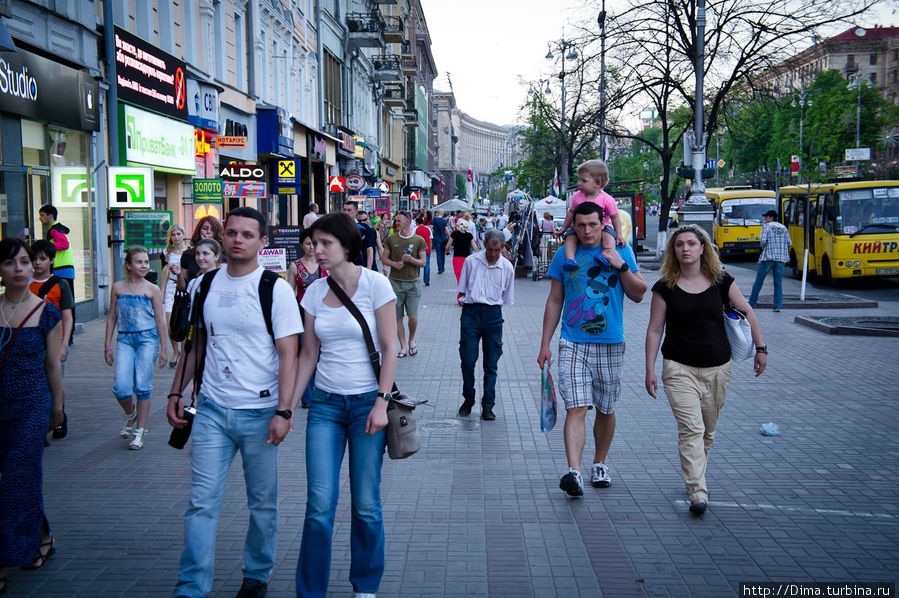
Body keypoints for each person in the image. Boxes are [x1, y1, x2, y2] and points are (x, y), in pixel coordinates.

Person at [166, 207, 301, 598]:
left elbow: (289, 355)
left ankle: (256, 574)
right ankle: (191, 586)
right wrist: (176, 392)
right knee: (201, 503)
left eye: (247, 234)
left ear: (263, 242)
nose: (237, 239)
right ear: (222, 237)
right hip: (210, 410)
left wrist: (284, 411)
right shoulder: (204, 285)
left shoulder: (274, 289)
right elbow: (197, 344)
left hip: (260, 413)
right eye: (231, 233)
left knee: (262, 504)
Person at [289, 213, 398, 598]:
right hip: (324, 408)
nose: (316, 250)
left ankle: (365, 585)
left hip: (368, 405)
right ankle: (311, 590)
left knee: (366, 503)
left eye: (324, 243)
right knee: (319, 504)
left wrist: (382, 403)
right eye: (313, 243)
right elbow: (307, 356)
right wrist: (286, 408)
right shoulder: (314, 292)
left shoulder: (376, 285)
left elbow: (390, 347)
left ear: (346, 246)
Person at [645, 224, 767, 515]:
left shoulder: (721, 280)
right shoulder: (665, 286)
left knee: (707, 433)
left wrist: (761, 348)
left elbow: (747, 311)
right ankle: (697, 492)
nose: (685, 249)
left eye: (691, 243)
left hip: (717, 369)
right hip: (678, 368)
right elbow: (654, 330)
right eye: (679, 244)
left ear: (703, 248)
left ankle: (694, 470)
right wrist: (649, 369)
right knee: (692, 429)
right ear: (673, 251)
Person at [537, 202, 647, 497]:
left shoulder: (621, 250)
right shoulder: (565, 254)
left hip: (610, 342)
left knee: (606, 407)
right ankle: (574, 472)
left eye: (593, 225)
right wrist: (545, 343)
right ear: (574, 226)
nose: (586, 231)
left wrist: (619, 264)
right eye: (581, 225)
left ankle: (599, 462)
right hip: (572, 342)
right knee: (576, 407)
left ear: (604, 225)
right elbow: (554, 300)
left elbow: (638, 293)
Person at [0, 239, 64, 594]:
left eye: (25, 261)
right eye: (11, 263)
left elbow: (53, 365)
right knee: (13, 479)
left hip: (31, 406)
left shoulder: (47, 313)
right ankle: (40, 533)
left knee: (17, 477)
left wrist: (58, 407)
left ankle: (6, 557)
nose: (21, 268)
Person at [104, 246, 168, 450]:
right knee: (121, 388)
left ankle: (139, 430)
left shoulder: (152, 289)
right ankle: (130, 413)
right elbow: (112, 317)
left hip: (147, 339)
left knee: (142, 385)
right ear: (129, 265)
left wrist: (164, 348)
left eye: (146, 262)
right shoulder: (117, 287)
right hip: (124, 340)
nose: (144, 266)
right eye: (139, 262)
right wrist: (107, 345)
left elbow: (160, 320)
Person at [456, 229, 515, 421]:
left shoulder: (507, 268)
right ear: (484, 244)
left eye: (497, 250)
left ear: (503, 248)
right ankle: (469, 398)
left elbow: (506, 298)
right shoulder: (471, 262)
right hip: (471, 313)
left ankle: (488, 404)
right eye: (490, 249)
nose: (493, 254)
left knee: (491, 363)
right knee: (467, 360)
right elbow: (463, 289)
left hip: (493, 316)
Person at [29, 240, 74, 439]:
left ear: (52, 260)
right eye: (34, 259)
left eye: (42, 259)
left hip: (55, 341)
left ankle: (58, 415)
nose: (37, 263)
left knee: (54, 381)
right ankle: (40, 420)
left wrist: (64, 344)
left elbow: (67, 315)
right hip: (31, 340)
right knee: (35, 381)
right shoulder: (25, 283)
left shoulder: (60, 284)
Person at [556, 160, 626, 272]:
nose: (579, 183)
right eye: (579, 179)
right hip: (579, 228)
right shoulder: (576, 197)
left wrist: (619, 235)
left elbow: (615, 217)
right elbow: (571, 213)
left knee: (608, 236)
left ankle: (606, 255)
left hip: (604, 227)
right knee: (570, 236)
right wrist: (563, 228)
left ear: (598, 183)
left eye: (583, 180)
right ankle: (570, 259)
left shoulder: (607, 199)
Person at [287, 228, 328, 409]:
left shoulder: (325, 264)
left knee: (322, 355)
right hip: (303, 315)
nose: (311, 247)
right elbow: (290, 292)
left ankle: (322, 391)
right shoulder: (296, 266)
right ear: (301, 245)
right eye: (307, 243)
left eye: (314, 243)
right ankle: (308, 397)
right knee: (306, 353)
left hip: (325, 313)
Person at [380, 211, 426, 358]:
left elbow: (423, 262)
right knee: (397, 317)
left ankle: (411, 339)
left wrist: (412, 260)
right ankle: (403, 345)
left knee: (412, 317)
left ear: (408, 221)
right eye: (396, 220)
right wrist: (394, 264)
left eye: (399, 220)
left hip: (413, 283)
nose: (396, 223)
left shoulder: (419, 240)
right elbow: (384, 258)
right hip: (395, 283)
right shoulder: (391, 239)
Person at [38, 204, 76, 340]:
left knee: (65, 304)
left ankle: (68, 336)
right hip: (64, 270)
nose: (40, 218)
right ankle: (68, 335)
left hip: (62, 270)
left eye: (42, 215)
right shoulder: (55, 229)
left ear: (50, 216)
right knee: (67, 304)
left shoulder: (54, 229)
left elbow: (64, 244)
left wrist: (47, 246)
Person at [748, 209, 792, 312]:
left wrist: (765, 247)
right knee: (778, 283)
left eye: (766, 217)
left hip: (768, 257)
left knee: (759, 281)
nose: (765, 219)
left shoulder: (767, 227)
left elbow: (763, 241)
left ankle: (752, 302)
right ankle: (777, 305)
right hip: (780, 259)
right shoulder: (784, 228)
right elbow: (789, 242)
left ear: (771, 218)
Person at [161, 225, 188, 368]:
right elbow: (165, 274)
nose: (176, 237)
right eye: (173, 234)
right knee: (170, 323)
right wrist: (162, 293)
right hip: (171, 287)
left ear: (183, 235)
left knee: (182, 322)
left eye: (178, 234)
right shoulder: (168, 252)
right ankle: (175, 351)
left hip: (183, 289)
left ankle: (183, 353)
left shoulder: (189, 251)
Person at [178, 216, 225, 290]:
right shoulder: (187, 254)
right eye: (205, 228)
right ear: (199, 230)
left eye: (212, 229)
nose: (208, 232)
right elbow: (183, 286)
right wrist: (178, 274)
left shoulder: (224, 254)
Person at [344, 201, 378, 270]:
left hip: (360, 267)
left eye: (349, 210)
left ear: (356, 212)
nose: (346, 212)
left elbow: (370, 250)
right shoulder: (338, 228)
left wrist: (368, 270)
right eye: (345, 210)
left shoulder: (364, 229)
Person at [414, 215, 433, 286]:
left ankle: (417, 278)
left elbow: (413, 239)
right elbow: (430, 239)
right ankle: (427, 280)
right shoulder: (428, 229)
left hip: (417, 249)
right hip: (427, 249)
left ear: (417, 223)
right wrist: (430, 248)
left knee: (417, 264)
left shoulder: (415, 229)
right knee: (427, 265)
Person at [431, 209, 450, 274]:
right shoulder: (444, 220)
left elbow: (431, 228)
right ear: (442, 213)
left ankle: (440, 268)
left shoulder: (434, 220)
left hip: (436, 239)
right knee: (442, 253)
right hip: (443, 239)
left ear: (437, 213)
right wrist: (450, 237)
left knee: (438, 254)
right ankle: (443, 267)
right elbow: (447, 230)